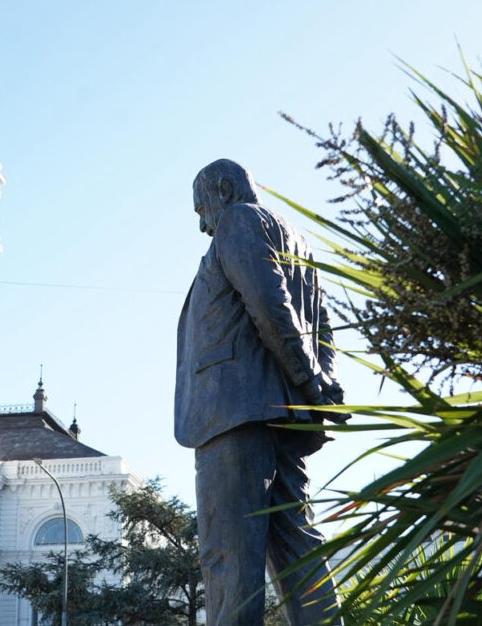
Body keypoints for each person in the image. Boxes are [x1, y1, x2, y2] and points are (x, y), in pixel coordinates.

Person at [174, 159, 347, 625]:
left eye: (202, 211)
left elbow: (271, 305)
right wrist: (321, 383)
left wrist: (310, 379)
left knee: (228, 558)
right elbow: (323, 329)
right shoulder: (298, 243)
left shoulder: (239, 220)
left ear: (224, 189)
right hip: (283, 418)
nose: (203, 227)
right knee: (299, 554)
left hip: (236, 414)